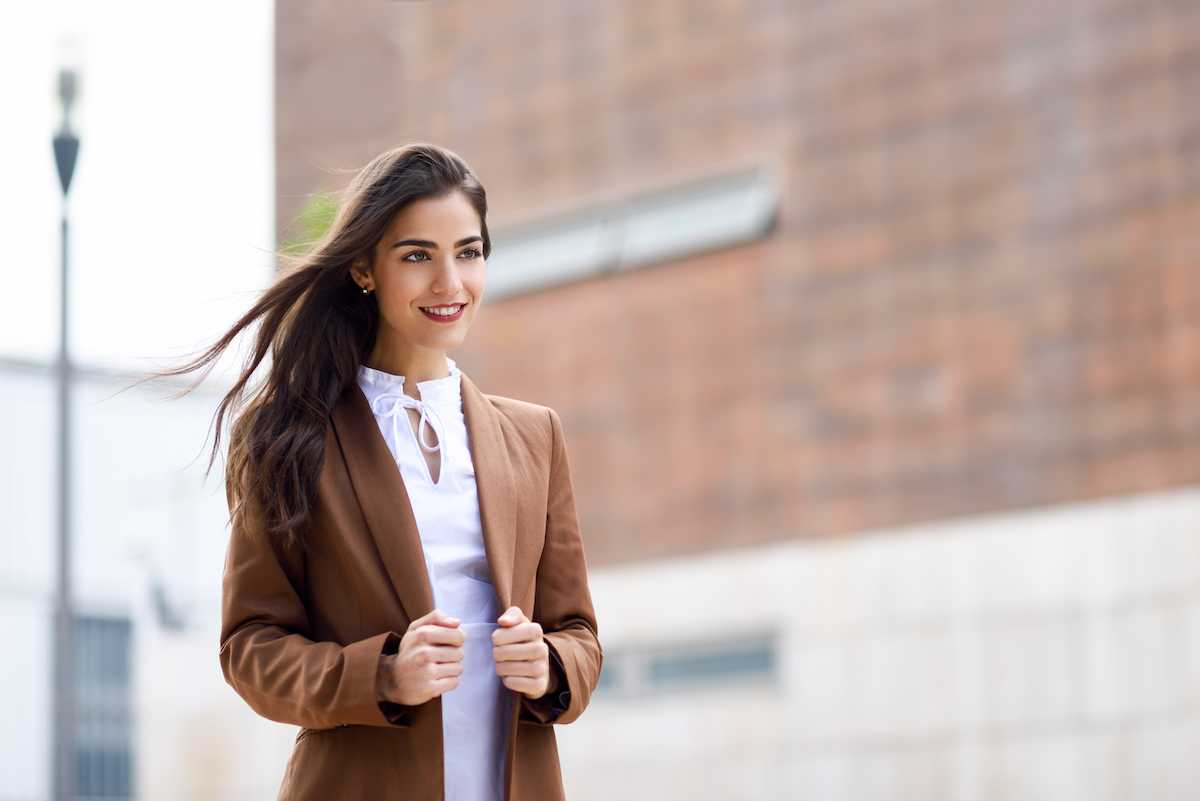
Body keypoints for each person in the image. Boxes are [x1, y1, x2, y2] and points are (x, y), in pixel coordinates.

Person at [184, 143, 601, 800]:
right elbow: (250, 647)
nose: (450, 283)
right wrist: (379, 673)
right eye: (418, 256)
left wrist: (549, 664)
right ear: (364, 268)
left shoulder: (535, 436)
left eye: (468, 252)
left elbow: (579, 633)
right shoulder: (292, 435)